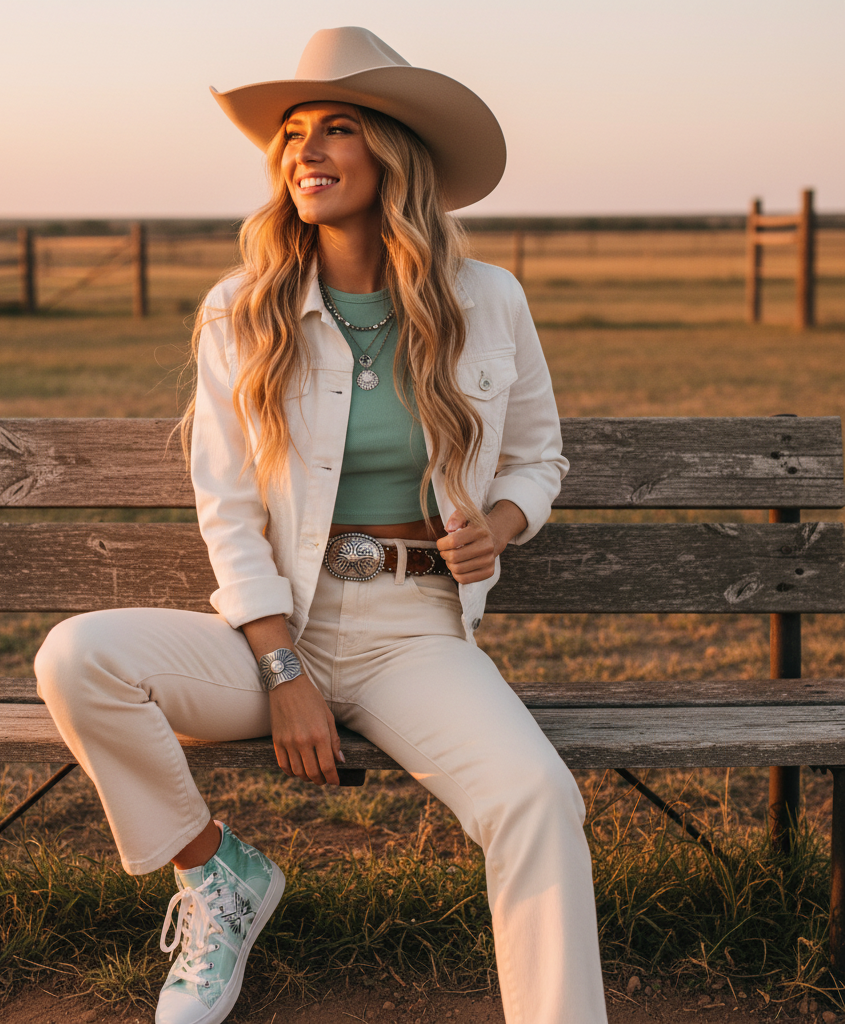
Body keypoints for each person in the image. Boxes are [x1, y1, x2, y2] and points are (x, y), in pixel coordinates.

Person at [34, 26, 609, 1024]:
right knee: (76, 655)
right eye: (292, 133)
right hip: (275, 635)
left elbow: (537, 456)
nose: (304, 149)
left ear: (393, 152)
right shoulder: (239, 310)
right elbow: (228, 506)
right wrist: (283, 671)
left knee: (537, 799)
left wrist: (502, 522)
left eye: (335, 127)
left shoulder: (487, 300)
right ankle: (219, 877)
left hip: (413, 634)